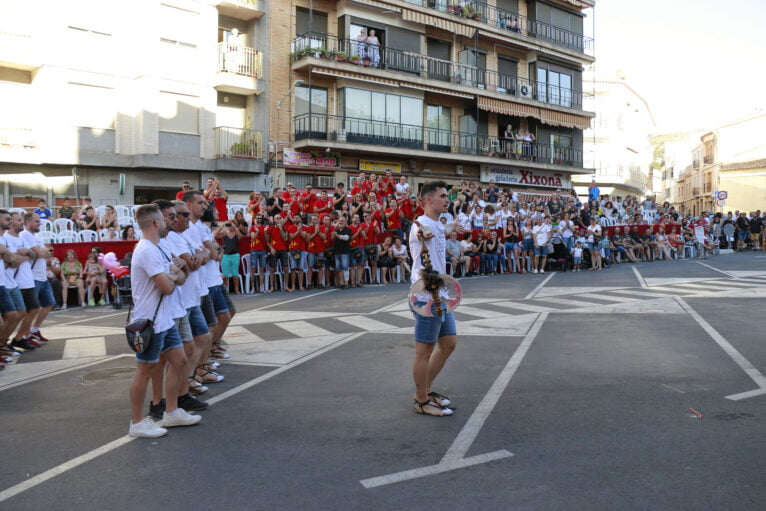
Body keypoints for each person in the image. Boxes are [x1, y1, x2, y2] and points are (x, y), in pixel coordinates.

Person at [128, 204, 200, 438]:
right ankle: (137, 422)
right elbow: (167, 286)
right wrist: (174, 276)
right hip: (150, 320)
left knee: (179, 360)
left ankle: (171, 412)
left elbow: (178, 275)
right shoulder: (147, 250)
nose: (168, 221)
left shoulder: (156, 248)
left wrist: (174, 275)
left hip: (164, 319)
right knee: (144, 370)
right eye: (163, 218)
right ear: (155, 223)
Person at [408, 180, 463, 417]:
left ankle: (427, 391)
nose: (446, 200)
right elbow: (423, 234)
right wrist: (424, 234)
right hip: (426, 295)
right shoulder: (420, 225)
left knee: (449, 343)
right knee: (424, 350)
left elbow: (443, 231)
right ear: (428, 199)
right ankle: (421, 400)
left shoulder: (438, 224)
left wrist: (452, 227)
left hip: (442, 293)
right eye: (442, 196)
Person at [216, 220, 243, 295]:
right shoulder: (224, 233)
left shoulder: (236, 233)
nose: (229, 226)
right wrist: (221, 227)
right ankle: (225, 291)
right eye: (228, 225)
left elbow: (240, 237)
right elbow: (216, 235)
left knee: (235, 274)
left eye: (230, 224)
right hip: (225, 255)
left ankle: (236, 289)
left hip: (235, 255)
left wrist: (235, 228)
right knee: (225, 274)